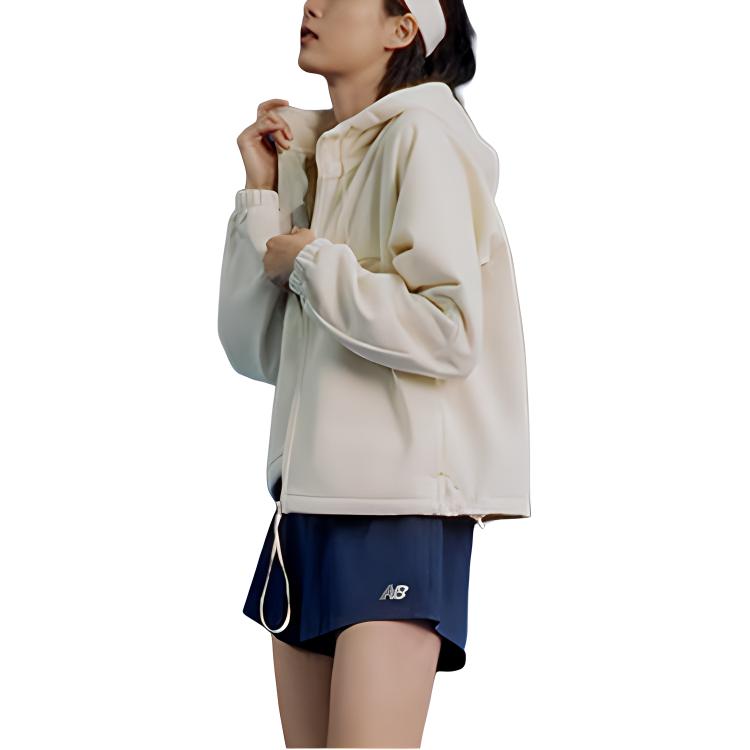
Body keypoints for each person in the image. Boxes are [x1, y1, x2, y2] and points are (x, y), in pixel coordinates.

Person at [217, 0, 530, 746]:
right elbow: (255, 349)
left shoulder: (424, 136)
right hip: (304, 507)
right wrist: (261, 194)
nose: (312, 5)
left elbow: (449, 332)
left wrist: (314, 264)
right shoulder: (315, 159)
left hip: (398, 507)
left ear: (402, 29)